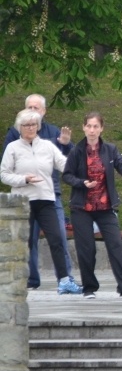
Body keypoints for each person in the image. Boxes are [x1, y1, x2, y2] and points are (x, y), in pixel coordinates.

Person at [61, 112, 122, 299]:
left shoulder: (110, 149)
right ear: (83, 128)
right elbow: (67, 175)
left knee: (116, 245)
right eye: (89, 126)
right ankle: (89, 288)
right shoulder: (77, 151)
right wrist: (82, 183)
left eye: (95, 126)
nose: (92, 130)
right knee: (87, 249)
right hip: (82, 208)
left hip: (106, 207)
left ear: (101, 129)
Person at [1, 110, 82, 295]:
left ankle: (64, 281)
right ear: (19, 128)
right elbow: (4, 174)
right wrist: (24, 180)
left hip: (45, 200)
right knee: (25, 243)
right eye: (26, 125)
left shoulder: (47, 146)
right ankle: (19, 281)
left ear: (38, 126)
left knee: (57, 239)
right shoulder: (13, 147)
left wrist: (72, 152)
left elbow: (65, 165)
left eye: (33, 124)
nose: (30, 128)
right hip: (23, 202)